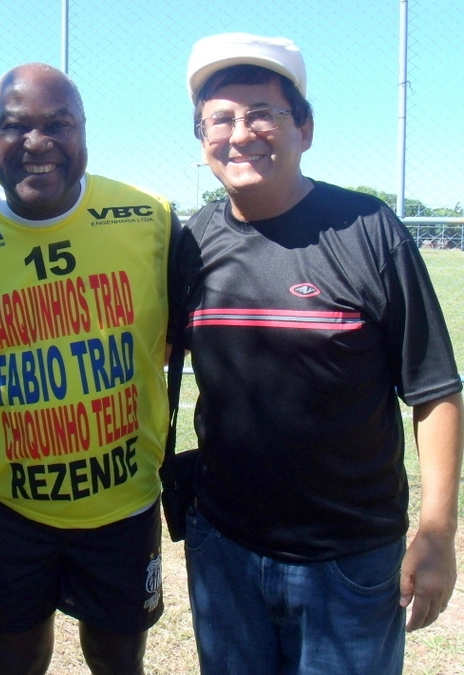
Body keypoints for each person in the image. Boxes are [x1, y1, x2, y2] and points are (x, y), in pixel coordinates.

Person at [169, 32, 464, 675]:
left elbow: (434, 388)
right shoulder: (189, 246)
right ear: (202, 141)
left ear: (304, 127)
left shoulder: (368, 230)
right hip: (225, 550)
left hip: (350, 559)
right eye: (219, 119)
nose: (240, 133)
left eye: (262, 113)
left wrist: (439, 532)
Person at [0, 63, 178, 675]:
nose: (36, 143)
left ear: (85, 131)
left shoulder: (151, 219)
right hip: (6, 505)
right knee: (17, 659)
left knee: (119, 659)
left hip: (122, 500)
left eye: (57, 124)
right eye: (14, 126)